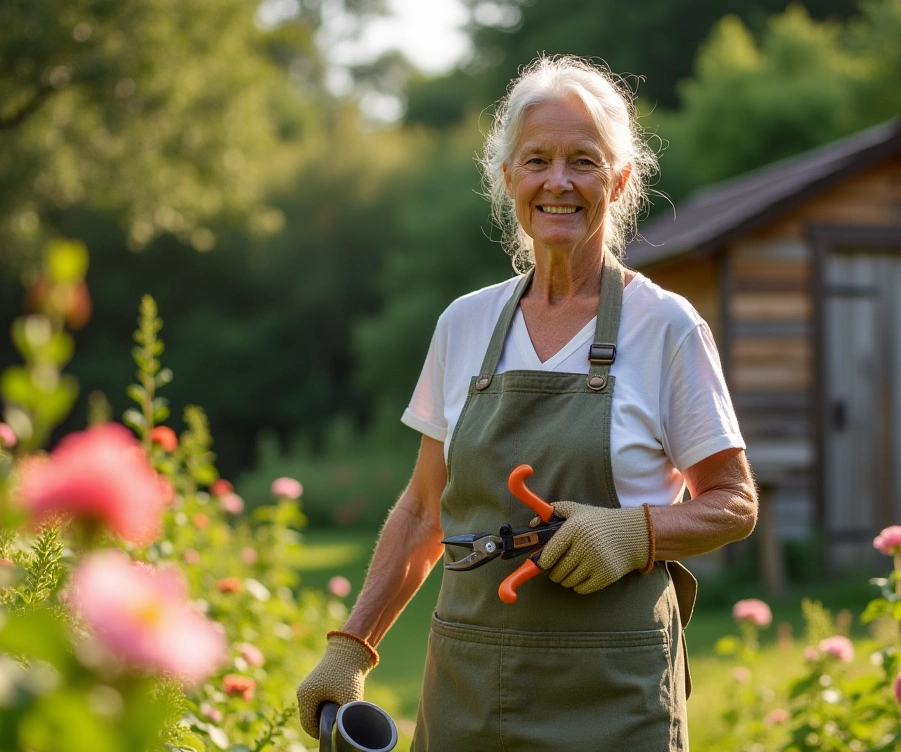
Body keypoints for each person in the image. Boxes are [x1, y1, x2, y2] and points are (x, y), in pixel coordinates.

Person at [296, 55, 758, 751]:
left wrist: (636, 532)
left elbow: (734, 501)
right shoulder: (464, 325)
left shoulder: (666, 326)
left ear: (621, 179)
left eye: (584, 161)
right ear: (508, 177)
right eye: (537, 160)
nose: (559, 182)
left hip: (616, 692)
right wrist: (352, 645)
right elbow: (425, 508)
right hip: (470, 689)